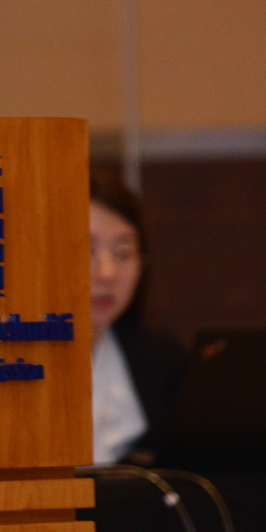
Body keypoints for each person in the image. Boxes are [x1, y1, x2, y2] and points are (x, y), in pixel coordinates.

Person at [89, 168, 187, 465]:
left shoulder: (160, 356)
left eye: (123, 253)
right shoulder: (7, 364)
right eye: (86, 251)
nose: (107, 273)